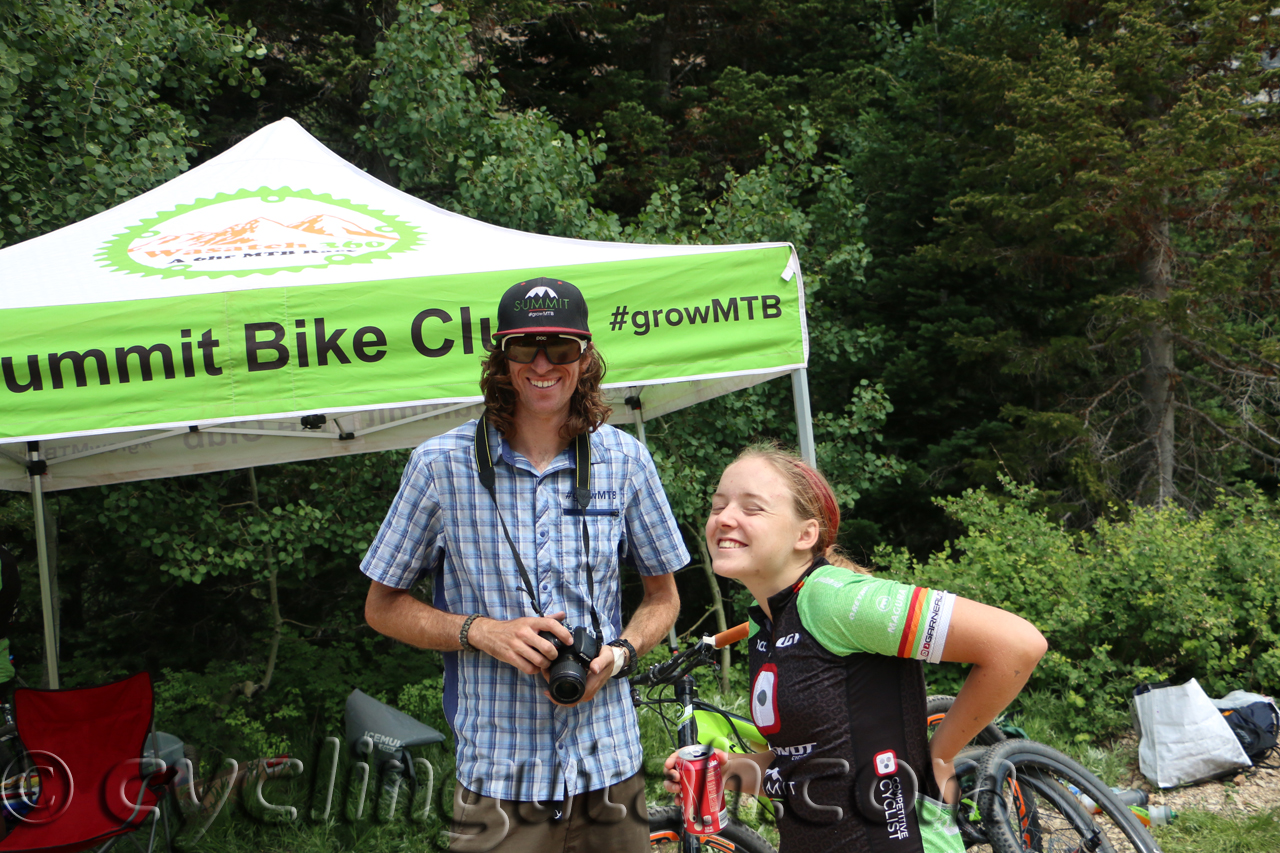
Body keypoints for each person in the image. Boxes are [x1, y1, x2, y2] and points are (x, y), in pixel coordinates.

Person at [362, 276, 688, 852]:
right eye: (525, 347)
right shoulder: (439, 466)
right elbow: (381, 607)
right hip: (499, 774)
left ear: (583, 357)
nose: (542, 364)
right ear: (502, 358)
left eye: (559, 347)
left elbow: (664, 598)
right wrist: (480, 631)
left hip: (609, 765)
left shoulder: (626, 460)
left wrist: (619, 655)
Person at [665, 445, 1047, 853]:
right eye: (717, 506)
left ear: (805, 535)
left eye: (752, 508)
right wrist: (728, 772)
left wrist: (939, 754)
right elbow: (803, 766)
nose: (723, 518)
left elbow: (1017, 645)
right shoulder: (766, 624)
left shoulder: (835, 597)